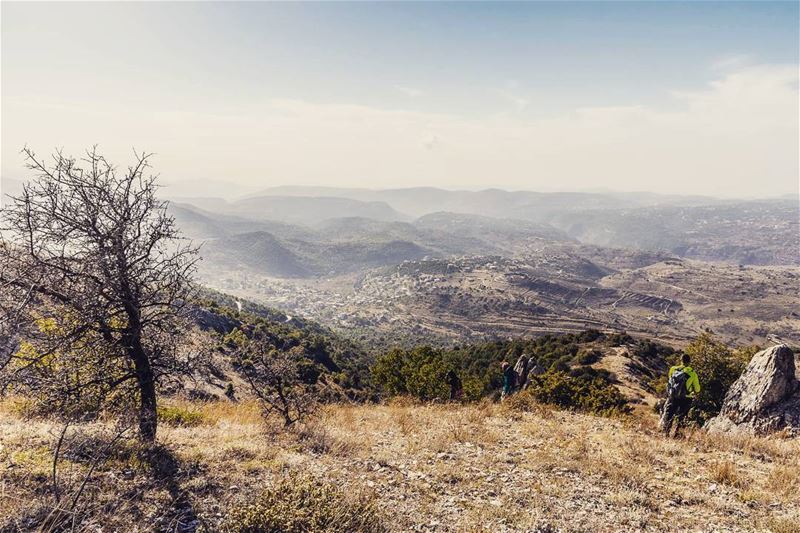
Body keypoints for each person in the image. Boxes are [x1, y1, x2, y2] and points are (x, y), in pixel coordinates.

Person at [660, 353, 701, 437]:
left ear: (680, 360)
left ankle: (666, 433)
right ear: (689, 362)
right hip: (686, 398)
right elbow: (697, 389)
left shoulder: (673, 369)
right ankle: (677, 434)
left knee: (669, 414)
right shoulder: (692, 373)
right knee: (682, 416)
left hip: (673, 396)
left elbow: (670, 380)